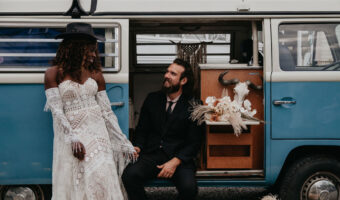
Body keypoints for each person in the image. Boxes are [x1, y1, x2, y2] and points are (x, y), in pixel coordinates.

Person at [44, 22, 136, 200]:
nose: (94, 54)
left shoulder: (96, 75)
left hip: (98, 134)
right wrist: (73, 138)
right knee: (77, 181)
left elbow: (107, 112)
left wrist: (124, 142)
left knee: (101, 177)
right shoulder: (53, 73)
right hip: (73, 137)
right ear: (75, 49)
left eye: (94, 50)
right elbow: (57, 111)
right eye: (90, 50)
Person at [122, 58, 203, 200]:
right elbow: (142, 129)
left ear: (183, 81)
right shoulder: (152, 99)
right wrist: (138, 147)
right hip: (152, 154)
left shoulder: (195, 105)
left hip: (179, 159)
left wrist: (174, 162)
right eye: (167, 72)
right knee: (129, 175)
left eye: (173, 74)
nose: (166, 75)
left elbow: (194, 142)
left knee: (189, 189)